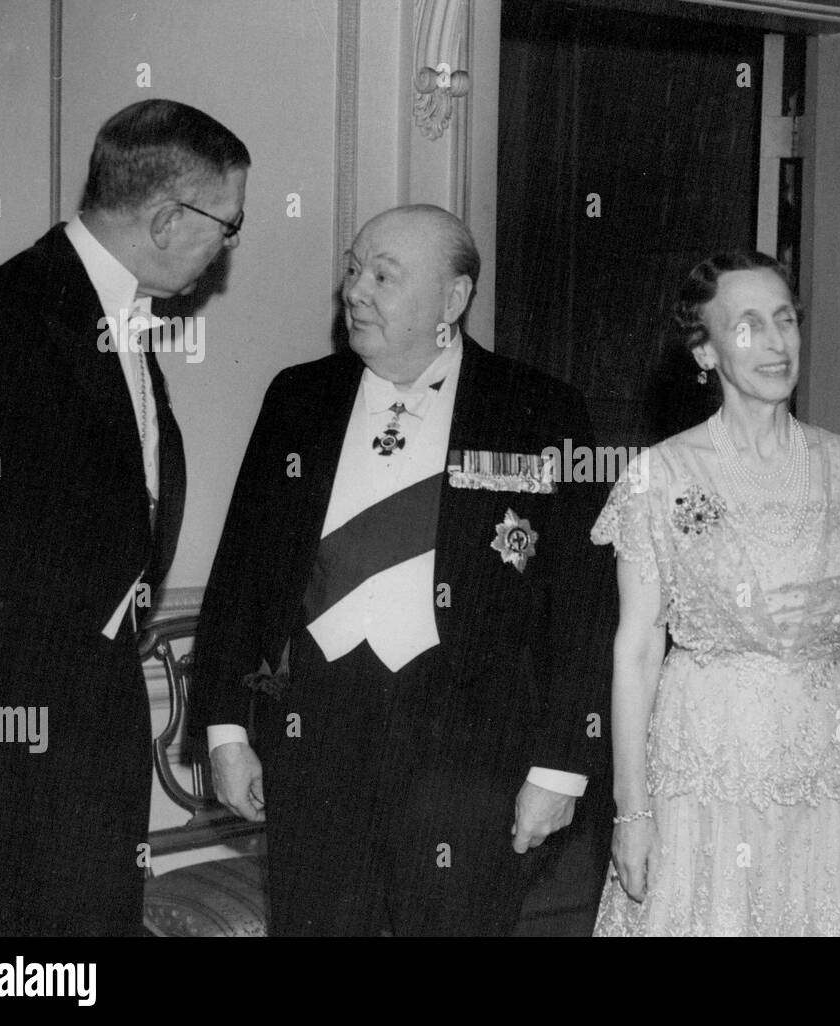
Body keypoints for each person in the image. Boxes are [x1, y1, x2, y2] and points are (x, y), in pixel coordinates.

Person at [190, 204, 615, 936]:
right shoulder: (298, 399)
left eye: (383, 276)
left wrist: (560, 768)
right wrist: (225, 730)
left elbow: (581, 608)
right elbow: (240, 574)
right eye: (354, 268)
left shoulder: (538, 410)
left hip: (472, 762)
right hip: (314, 741)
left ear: (453, 299)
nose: (354, 290)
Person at [0, 98, 249, 935]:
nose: (230, 245)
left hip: (92, 709)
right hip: (4, 728)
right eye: (229, 222)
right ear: (165, 217)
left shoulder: (121, 314)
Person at [592, 251, 840, 935]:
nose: (775, 343)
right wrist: (633, 812)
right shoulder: (662, 474)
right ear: (704, 350)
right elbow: (637, 649)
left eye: (785, 320)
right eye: (747, 326)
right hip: (706, 766)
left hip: (831, 773)